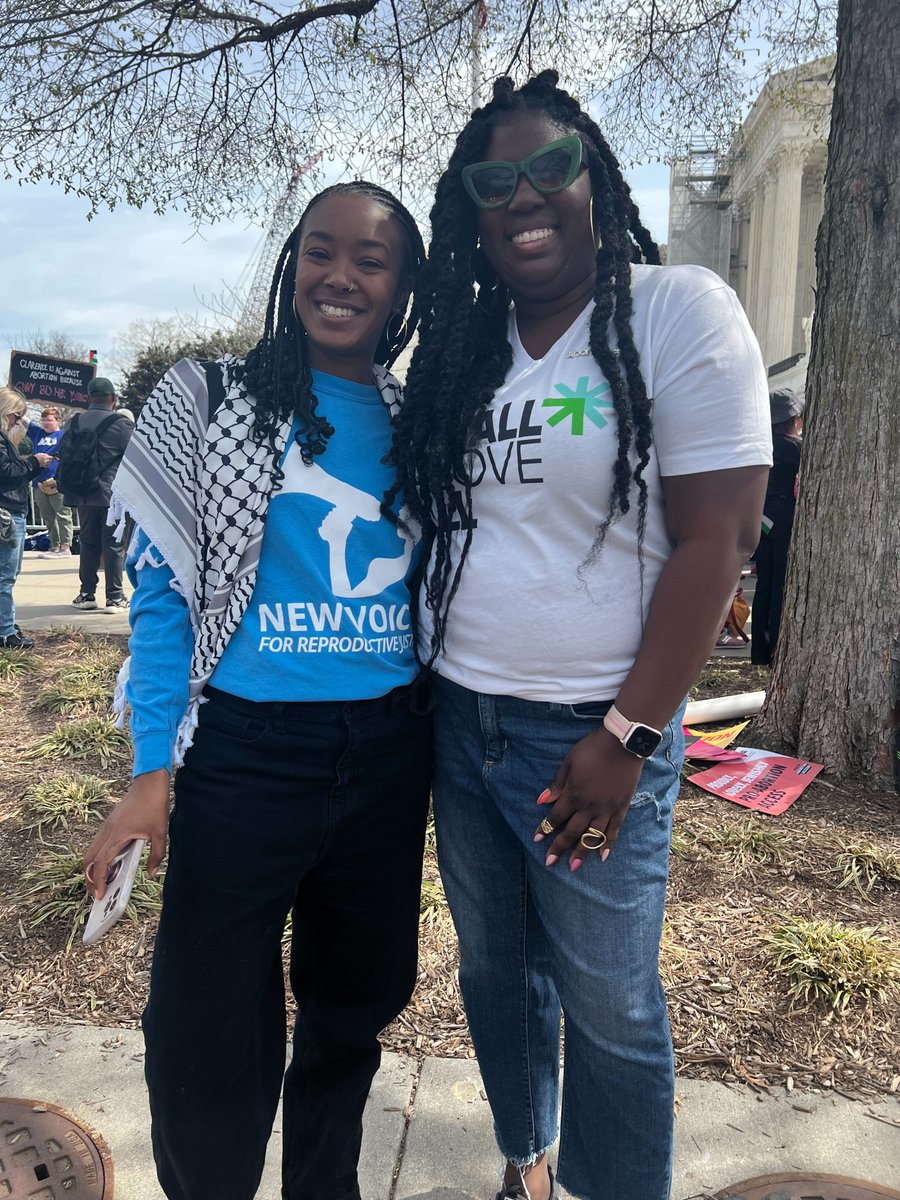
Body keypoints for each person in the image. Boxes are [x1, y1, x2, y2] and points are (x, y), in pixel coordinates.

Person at [387, 73, 773, 1200]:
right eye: (493, 181)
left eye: (551, 167)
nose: (525, 196)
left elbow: (720, 540)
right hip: (465, 724)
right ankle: (528, 1161)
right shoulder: (467, 348)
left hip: (592, 731)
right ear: (471, 208)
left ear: (593, 177)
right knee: (499, 976)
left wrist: (629, 736)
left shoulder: (677, 308)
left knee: (611, 1004)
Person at [83, 181, 431, 1200]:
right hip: (244, 755)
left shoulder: (420, 422)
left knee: (350, 1013)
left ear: (403, 286)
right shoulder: (210, 396)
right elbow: (163, 601)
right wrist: (154, 772)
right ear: (292, 267)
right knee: (205, 1026)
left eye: (371, 261)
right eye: (321, 251)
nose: (342, 276)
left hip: (386, 753)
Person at [59, 376, 133, 611]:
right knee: (114, 544)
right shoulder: (121, 424)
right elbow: (137, 458)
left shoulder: (75, 422)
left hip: (82, 493)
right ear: (113, 398)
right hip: (111, 494)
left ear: (89, 398)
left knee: (88, 542)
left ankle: (86, 594)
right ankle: (115, 597)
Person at [750, 386, 804, 666]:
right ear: (793, 419)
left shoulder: (759, 447)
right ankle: (777, 654)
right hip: (785, 519)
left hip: (760, 521)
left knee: (764, 586)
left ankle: (760, 652)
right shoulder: (795, 447)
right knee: (782, 585)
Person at [0, 387, 54, 648]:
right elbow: (5, 471)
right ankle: (5, 631)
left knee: (8, 573)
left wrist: (32, 465)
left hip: (12, 510)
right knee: (5, 575)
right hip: (8, 512)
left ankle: (6, 623)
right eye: (16, 416)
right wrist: (33, 462)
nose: (18, 422)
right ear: (6, 413)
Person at [25, 406, 74, 558]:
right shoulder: (37, 433)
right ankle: (54, 546)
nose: (46, 423)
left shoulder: (63, 434)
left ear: (58, 421)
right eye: (44, 420)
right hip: (39, 482)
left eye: (50, 420)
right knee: (48, 515)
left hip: (56, 481)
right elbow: (24, 420)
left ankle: (66, 547)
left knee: (63, 514)